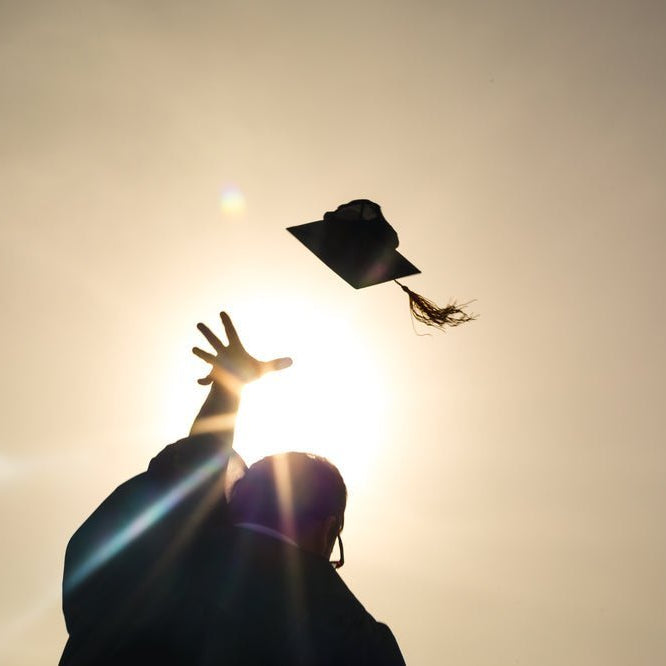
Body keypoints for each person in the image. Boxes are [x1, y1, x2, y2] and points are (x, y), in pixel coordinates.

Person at [60, 312, 405, 665]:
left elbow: (193, 472)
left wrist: (228, 388)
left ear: (239, 497)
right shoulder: (358, 640)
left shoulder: (155, 557)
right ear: (327, 530)